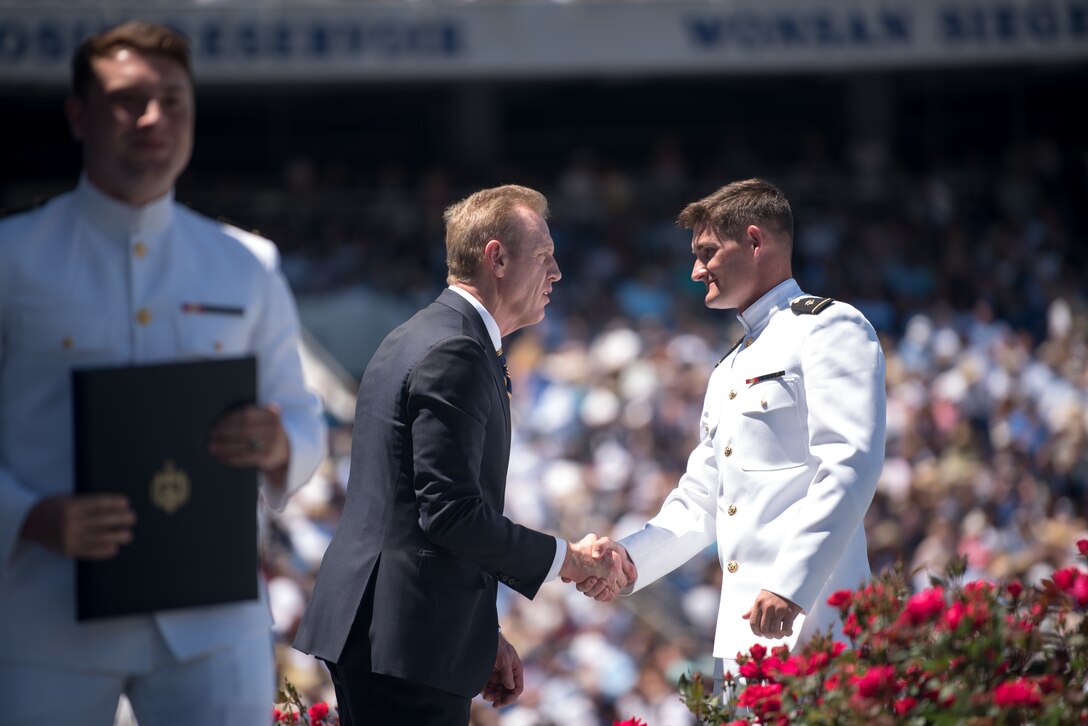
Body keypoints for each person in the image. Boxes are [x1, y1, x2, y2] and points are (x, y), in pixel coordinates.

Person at [0, 21, 326, 724]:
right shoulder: (11, 260)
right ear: (79, 115)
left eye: (174, 100)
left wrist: (276, 444)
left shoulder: (245, 263)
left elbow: (302, 418)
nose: (154, 118)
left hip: (214, 626)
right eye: (128, 100)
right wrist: (27, 516)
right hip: (46, 619)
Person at [293, 184, 633, 725]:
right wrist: (568, 560)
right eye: (544, 256)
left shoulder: (428, 334)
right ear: (497, 258)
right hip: (403, 643)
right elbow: (449, 512)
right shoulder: (456, 350)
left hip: (404, 633)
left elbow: (416, 515)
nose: (557, 272)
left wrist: (479, 634)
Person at [585, 178, 886, 679]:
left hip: (819, 626)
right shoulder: (728, 366)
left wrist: (791, 584)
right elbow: (701, 502)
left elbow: (850, 463)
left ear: (754, 241)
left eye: (707, 252)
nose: (696, 270)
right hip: (741, 643)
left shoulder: (829, 327)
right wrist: (629, 559)